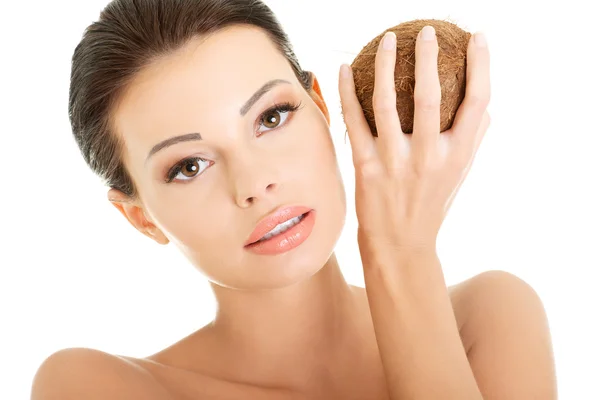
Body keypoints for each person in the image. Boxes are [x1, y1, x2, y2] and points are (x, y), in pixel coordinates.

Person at [31, 0, 557, 399]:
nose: (254, 183)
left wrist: (401, 252)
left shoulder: (488, 318)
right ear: (141, 218)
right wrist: (400, 255)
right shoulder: (95, 385)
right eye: (189, 166)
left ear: (322, 107)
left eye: (272, 117)